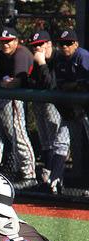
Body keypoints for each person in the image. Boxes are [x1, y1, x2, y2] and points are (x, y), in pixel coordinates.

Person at [0, 27, 38, 190]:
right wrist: (5, 83)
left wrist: (7, 84)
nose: (5, 44)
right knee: (10, 135)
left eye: (9, 41)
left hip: (20, 98)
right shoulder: (1, 55)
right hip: (7, 99)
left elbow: (18, 81)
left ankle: (29, 174)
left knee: (19, 134)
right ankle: (19, 171)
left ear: (16, 41)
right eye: (3, 42)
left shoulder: (21, 53)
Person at [27, 30, 70, 194]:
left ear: (49, 44)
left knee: (56, 143)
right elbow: (32, 82)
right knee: (46, 142)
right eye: (34, 46)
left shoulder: (57, 58)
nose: (37, 48)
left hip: (57, 106)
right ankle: (47, 180)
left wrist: (43, 64)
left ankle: (56, 181)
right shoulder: (37, 60)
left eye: (40, 45)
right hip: (41, 104)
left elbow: (50, 84)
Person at [53, 28, 89, 189]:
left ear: (76, 44)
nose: (65, 47)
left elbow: (85, 84)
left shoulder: (83, 56)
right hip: (72, 109)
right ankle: (55, 181)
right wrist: (75, 86)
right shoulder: (60, 58)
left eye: (68, 43)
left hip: (86, 108)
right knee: (61, 140)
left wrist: (74, 86)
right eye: (62, 44)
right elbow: (61, 86)